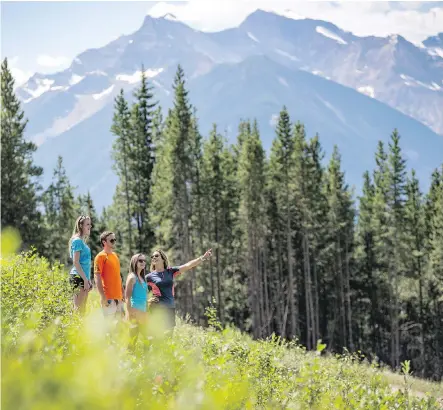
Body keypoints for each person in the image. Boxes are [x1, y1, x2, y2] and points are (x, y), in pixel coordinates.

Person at [146, 248, 212, 330]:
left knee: (169, 335)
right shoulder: (149, 277)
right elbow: (139, 290)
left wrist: (203, 257)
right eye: (152, 256)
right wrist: (147, 301)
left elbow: (188, 265)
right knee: (157, 335)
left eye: (156, 256)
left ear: (163, 259)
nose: (154, 257)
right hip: (158, 308)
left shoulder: (171, 271)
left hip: (170, 307)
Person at [94, 231, 124, 318]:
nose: (114, 242)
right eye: (111, 240)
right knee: (110, 329)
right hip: (108, 299)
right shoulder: (100, 257)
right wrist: (103, 296)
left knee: (121, 329)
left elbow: (118, 276)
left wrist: (122, 292)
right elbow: (97, 277)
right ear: (104, 242)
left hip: (119, 298)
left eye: (115, 240)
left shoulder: (114, 255)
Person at [68, 215, 92, 314]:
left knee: (82, 311)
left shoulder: (82, 241)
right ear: (81, 226)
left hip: (84, 278)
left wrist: (88, 280)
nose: (90, 226)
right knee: (78, 311)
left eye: (90, 224)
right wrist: (85, 280)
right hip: (78, 277)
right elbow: (76, 262)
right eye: (87, 224)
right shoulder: (77, 241)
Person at [125, 253, 148, 347]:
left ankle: (145, 360)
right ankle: (128, 360)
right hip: (135, 311)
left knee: (147, 339)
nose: (143, 262)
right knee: (132, 340)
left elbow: (143, 297)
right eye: (140, 260)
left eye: (144, 261)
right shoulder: (132, 277)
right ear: (135, 262)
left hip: (143, 312)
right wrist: (130, 313)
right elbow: (127, 297)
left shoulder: (143, 278)